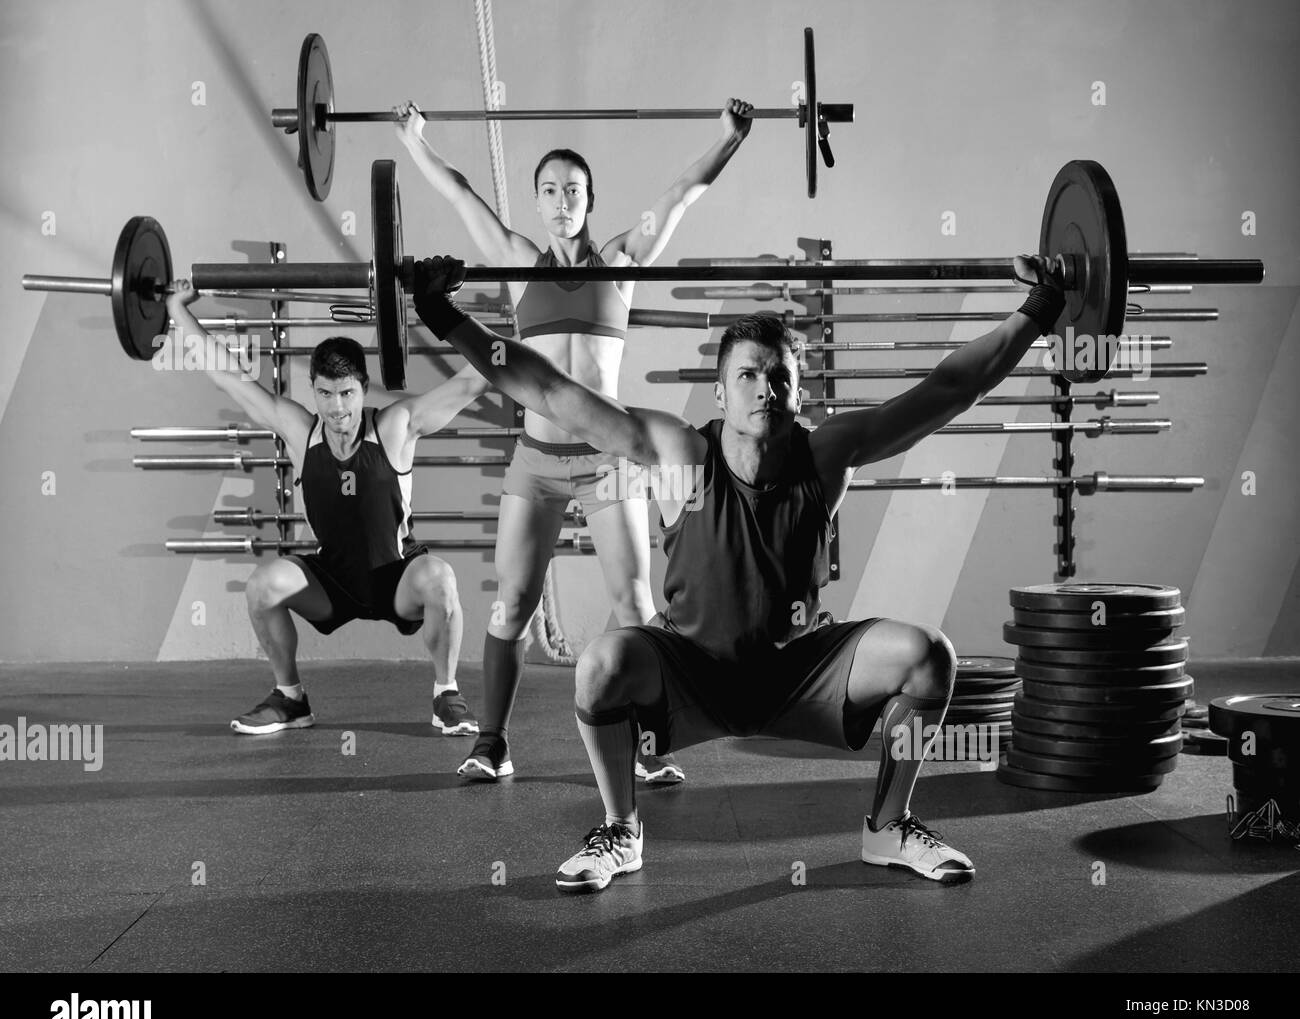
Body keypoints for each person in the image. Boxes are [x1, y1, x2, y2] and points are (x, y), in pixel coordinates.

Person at [409, 252, 1067, 888]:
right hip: (692, 672)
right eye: (748, 375)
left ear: (798, 389)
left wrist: (1037, 311)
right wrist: (444, 315)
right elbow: (551, 389)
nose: (765, 388)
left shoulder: (828, 452)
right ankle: (620, 829)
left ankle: (888, 825)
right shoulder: (678, 454)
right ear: (720, 391)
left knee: (929, 657)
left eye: (779, 376)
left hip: (801, 671)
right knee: (600, 665)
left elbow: (949, 388)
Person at [394, 99, 754, 785]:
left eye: (573, 191)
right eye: (550, 192)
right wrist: (415, 142)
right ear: (536, 204)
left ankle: (653, 742)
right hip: (535, 463)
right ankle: (492, 743)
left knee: (636, 604)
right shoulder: (516, 261)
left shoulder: (619, 260)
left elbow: (681, 196)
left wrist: (729, 139)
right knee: (512, 603)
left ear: (590, 202)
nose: (562, 201)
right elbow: (461, 192)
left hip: (608, 464)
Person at [166, 281, 491, 736]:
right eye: (325, 394)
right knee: (262, 587)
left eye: (347, 394)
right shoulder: (300, 430)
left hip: (396, 577)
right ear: (314, 392)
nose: (337, 408)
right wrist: (176, 309)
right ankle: (291, 699)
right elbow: (227, 377)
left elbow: (476, 379)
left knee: (440, 578)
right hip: (332, 580)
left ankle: (446, 695)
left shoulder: (396, 426)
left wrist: (533, 329)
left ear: (362, 388)